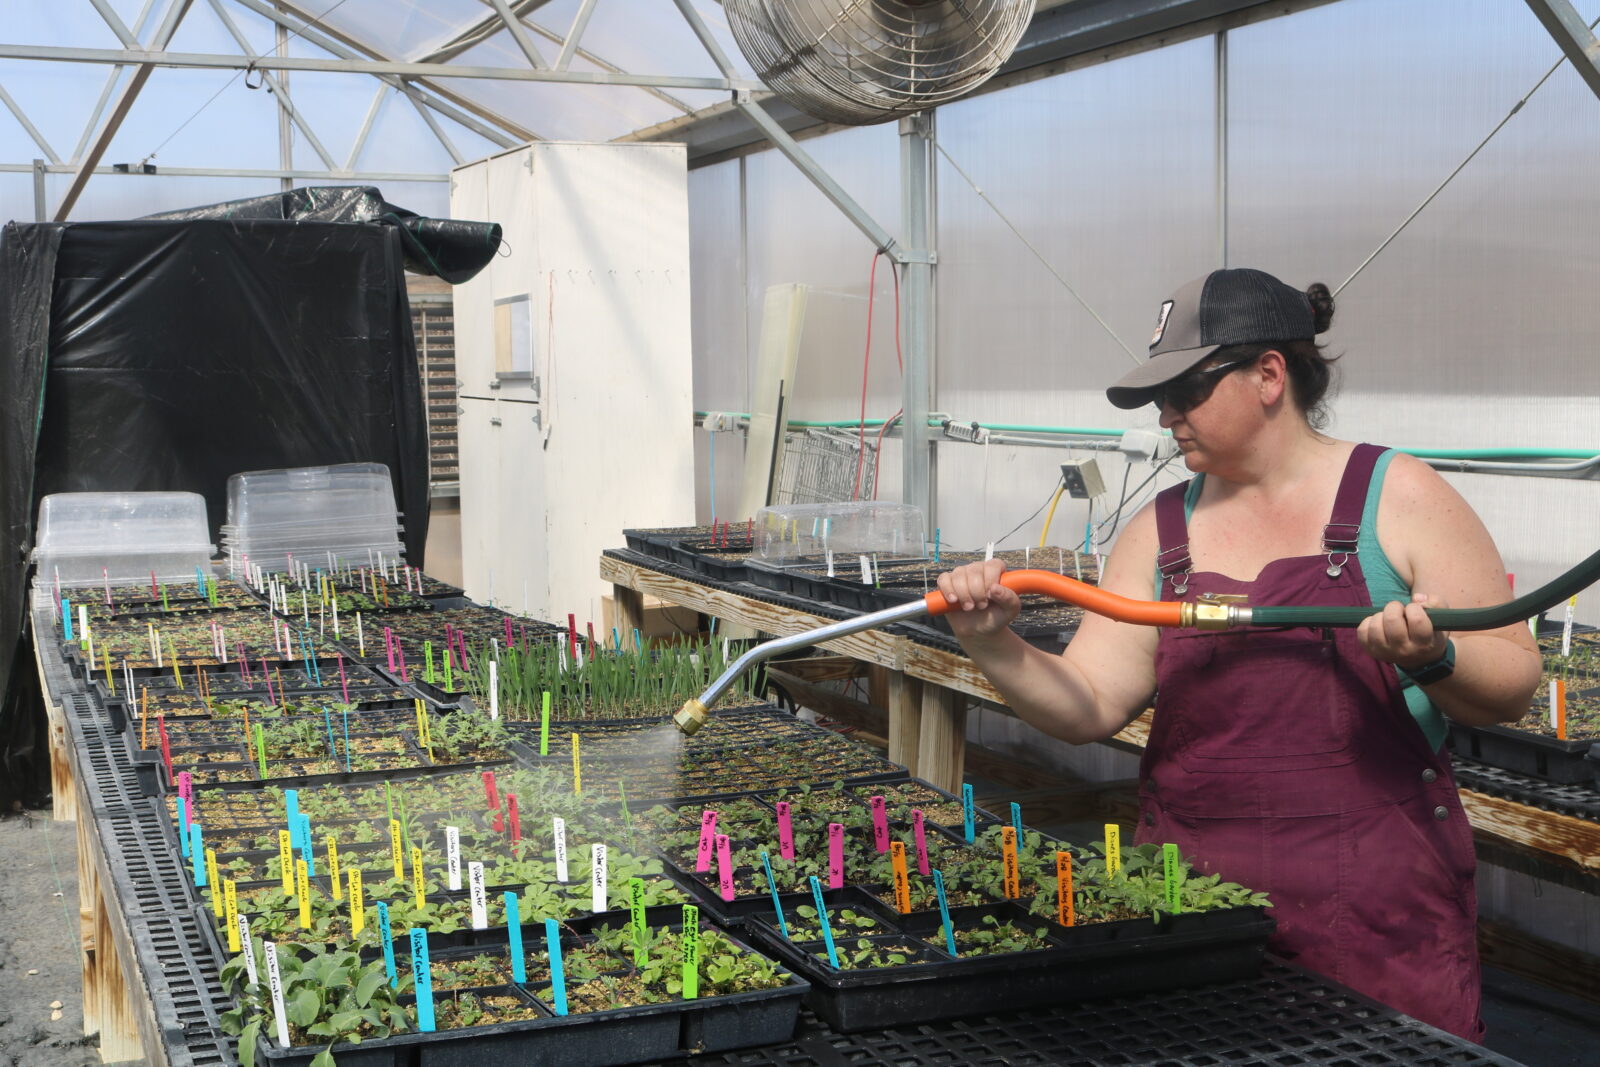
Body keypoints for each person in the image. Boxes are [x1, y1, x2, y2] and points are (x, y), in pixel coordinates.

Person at [936, 268, 1540, 1041]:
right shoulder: (1160, 532)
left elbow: (1515, 680)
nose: (1166, 415)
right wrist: (991, 641)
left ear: (1268, 375)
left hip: (1379, 926)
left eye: (1186, 389)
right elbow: (1088, 702)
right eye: (1161, 398)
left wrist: (1434, 655)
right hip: (1196, 920)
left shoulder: (1399, 496)